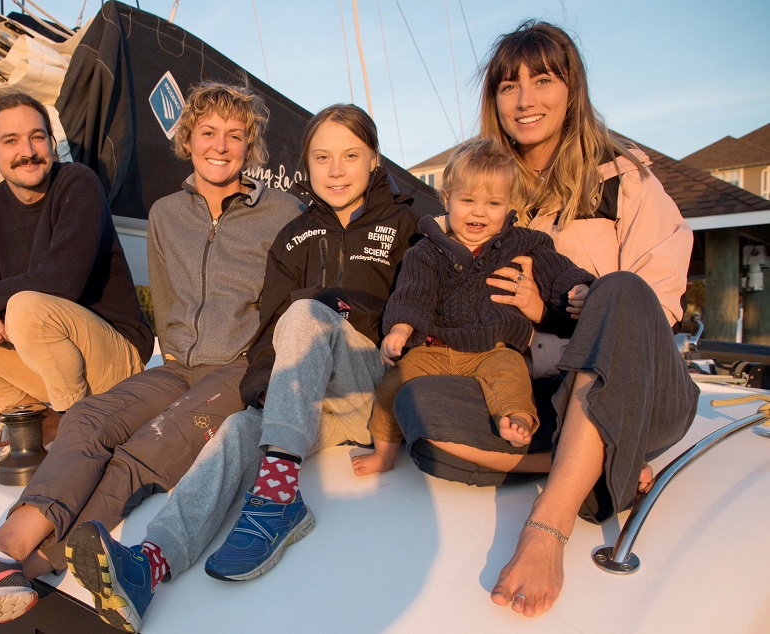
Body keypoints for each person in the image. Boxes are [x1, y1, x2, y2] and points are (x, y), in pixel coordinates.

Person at [0, 82, 301, 632]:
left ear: (252, 147)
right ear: (188, 140)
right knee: (85, 417)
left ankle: (26, 568)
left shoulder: (282, 213)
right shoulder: (166, 214)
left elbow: (296, 303)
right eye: (208, 133)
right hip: (178, 364)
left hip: (241, 367)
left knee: (148, 446)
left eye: (235, 135)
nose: (220, 146)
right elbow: (173, 303)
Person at [60, 104, 420, 633]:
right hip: (320, 403)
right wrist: (260, 393)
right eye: (322, 157)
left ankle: (276, 498)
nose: (337, 169)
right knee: (236, 429)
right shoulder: (295, 236)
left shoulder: (408, 225)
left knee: (306, 311)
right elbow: (272, 329)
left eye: (350, 156)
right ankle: (149, 563)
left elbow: (430, 300)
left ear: (374, 161)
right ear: (307, 165)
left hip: (376, 382)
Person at [390, 21, 699, 618]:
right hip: (542, 391)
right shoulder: (484, 188)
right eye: (509, 86)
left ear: (572, 88)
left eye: (542, 79)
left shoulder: (623, 177)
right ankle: (602, 462)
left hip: (634, 382)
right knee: (421, 414)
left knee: (620, 290)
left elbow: (652, 311)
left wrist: (549, 312)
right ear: (494, 100)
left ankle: (549, 522)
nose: (525, 100)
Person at [0, 92, 154, 442]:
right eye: (11, 141)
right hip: (41, 356)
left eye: (37, 137)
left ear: (51, 143)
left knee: (26, 307)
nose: (28, 151)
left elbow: (62, 281)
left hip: (114, 358)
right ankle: (37, 421)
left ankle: (77, 431)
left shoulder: (78, 183)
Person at [352, 137, 594, 477]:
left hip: (493, 348)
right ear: (447, 197)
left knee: (511, 376)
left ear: (510, 205)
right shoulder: (428, 251)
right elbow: (413, 292)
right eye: (468, 200)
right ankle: (384, 453)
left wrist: (577, 288)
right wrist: (401, 327)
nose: (479, 211)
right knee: (393, 384)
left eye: (493, 203)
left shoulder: (521, 242)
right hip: (436, 348)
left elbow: (556, 270)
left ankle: (517, 419)